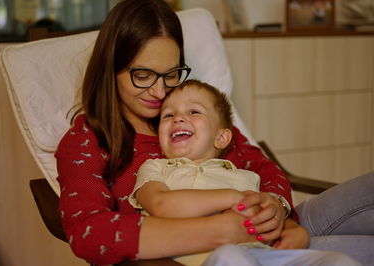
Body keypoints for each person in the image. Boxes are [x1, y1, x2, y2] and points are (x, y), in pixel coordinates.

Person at [55, 0, 374, 265]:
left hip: (269, 233)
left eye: (171, 74)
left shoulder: (190, 110)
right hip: (208, 252)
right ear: (111, 67)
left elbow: (262, 167)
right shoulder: (87, 140)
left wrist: (277, 208)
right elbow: (89, 231)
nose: (159, 90)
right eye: (142, 75)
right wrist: (221, 230)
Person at [129, 79, 361, 265]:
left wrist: (292, 229)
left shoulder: (244, 177)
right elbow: (161, 205)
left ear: (221, 137)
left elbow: (265, 220)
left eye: (194, 112)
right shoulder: (155, 168)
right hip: (204, 258)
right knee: (232, 257)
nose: (178, 117)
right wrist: (232, 197)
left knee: (337, 260)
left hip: (261, 254)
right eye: (168, 115)